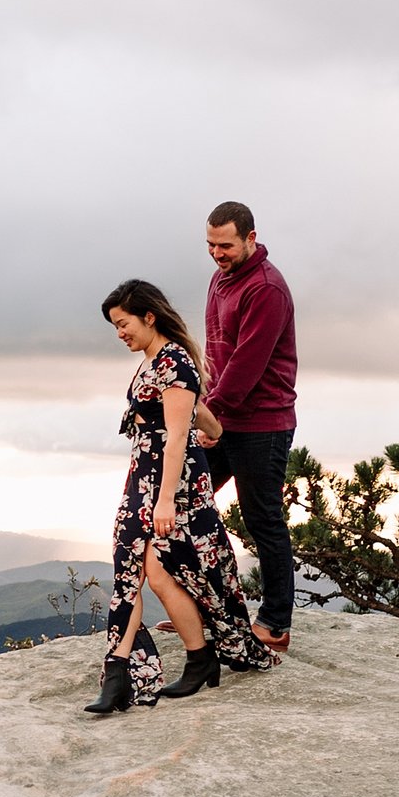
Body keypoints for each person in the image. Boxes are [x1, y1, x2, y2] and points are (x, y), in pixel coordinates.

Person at [85, 279, 282, 716]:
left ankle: (198, 658)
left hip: (172, 487)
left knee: (159, 572)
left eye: (123, 323)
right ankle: (120, 674)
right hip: (143, 481)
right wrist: (214, 432)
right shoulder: (153, 361)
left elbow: (176, 437)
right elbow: (193, 414)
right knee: (131, 576)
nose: (120, 333)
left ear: (148, 316)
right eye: (115, 327)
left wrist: (166, 502)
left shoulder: (174, 361)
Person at [200, 202, 298, 653]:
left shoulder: (267, 288)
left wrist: (208, 417)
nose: (218, 253)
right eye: (211, 245)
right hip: (222, 415)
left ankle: (275, 626)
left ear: (251, 239)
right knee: (188, 504)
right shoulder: (220, 279)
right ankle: (205, 612)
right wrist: (202, 400)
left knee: (263, 521)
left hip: (262, 423)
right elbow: (216, 354)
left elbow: (246, 365)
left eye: (226, 245)